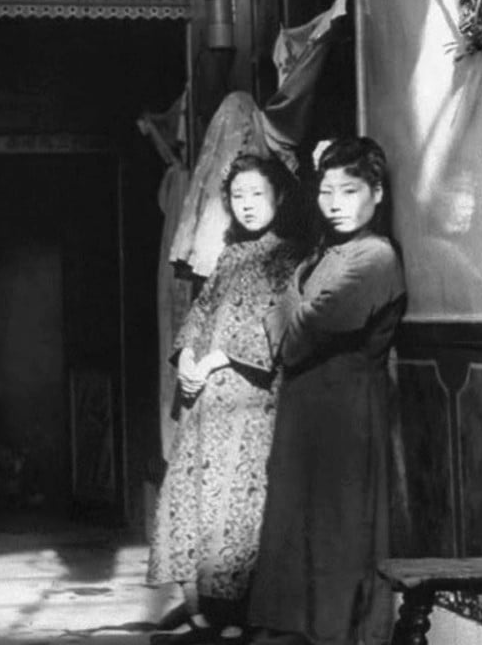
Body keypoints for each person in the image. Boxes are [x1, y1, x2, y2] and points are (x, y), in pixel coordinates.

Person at [248, 137, 407, 645]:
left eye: (350, 190)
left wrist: (290, 304)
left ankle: (335, 634)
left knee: (340, 530)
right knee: (295, 528)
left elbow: (296, 338)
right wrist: (292, 309)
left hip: (346, 414)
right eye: (326, 191)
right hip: (304, 410)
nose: (335, 203)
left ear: (377, 194)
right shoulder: (324, 255)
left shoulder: (376, 257)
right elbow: (280, 326)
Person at [148, 154, 302, 645]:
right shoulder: (231, 255)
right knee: (190, 500)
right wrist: (188, 359)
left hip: (250, 404)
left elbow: (279, 328)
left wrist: (217, 358)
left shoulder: (291, 258)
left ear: (278, 197)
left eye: (257, 194)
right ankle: (200, 613)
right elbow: (200, 313)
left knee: (238, 509)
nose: (247, 205)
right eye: (238, 196)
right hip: (203, 404)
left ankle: (239, 615)